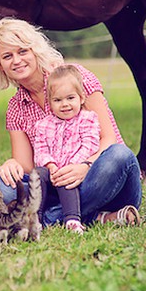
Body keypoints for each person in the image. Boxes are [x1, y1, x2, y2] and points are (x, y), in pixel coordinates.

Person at [0, 17, 141, 227]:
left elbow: (109, 138)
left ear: (35, 50)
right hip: (56, 184)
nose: (16, 60)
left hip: (101, 178)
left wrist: (85, 166)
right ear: (0, 65)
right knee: (5, 186)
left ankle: (46, 220)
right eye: (8, 56)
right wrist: (12, 163)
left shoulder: (74, 77)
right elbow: (27, 166)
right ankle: (95, 217)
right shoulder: (16, 107)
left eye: (22, 51)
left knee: (120, 155)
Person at [33, 65, 100, 234]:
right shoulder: (43, 125)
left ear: (81, 98)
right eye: (58, 100)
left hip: (76, 174)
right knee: (37, 174)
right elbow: (40, 149)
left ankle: (72, 220)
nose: (65, 105)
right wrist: (50, 165)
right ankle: (35, 218)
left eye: (70, 98)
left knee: (67, 178)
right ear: (49, 103)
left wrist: (72, 164)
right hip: (53, 172)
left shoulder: (87, 119)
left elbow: (90, 144)